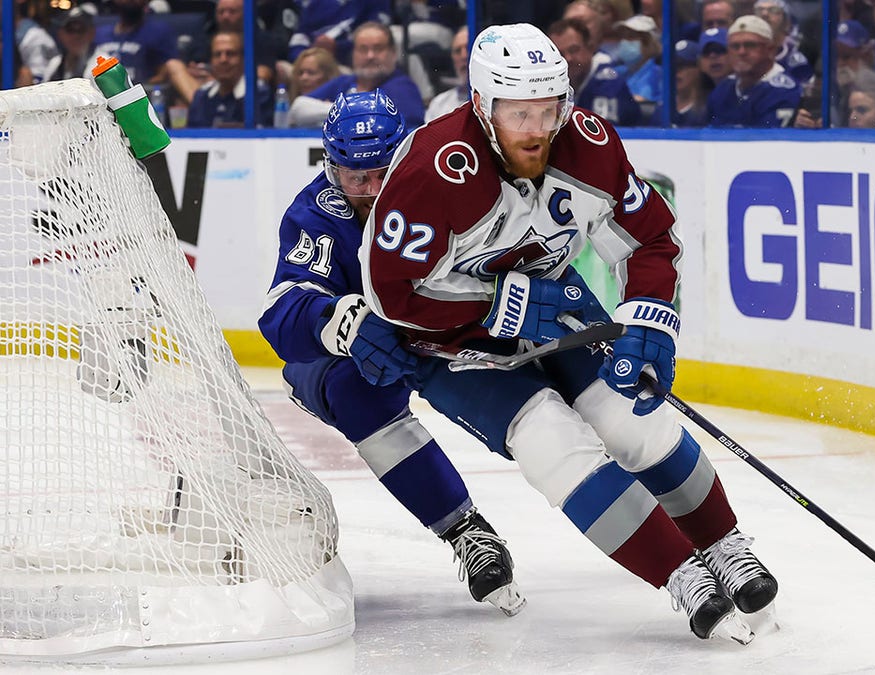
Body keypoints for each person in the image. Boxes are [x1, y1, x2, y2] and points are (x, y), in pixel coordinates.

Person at [360, 23, 779, 643]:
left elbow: (651, 241)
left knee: (635, 420)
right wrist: (502, 307)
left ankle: (724, 543)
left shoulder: (590, 146)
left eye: (549, 109)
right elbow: (392, 295)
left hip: (560, 310)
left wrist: (650, 322)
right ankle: (679, 574)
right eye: (518, 112)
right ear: (481, 105)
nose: (536, 128)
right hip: (455, 349)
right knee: (552, 447)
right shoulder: (433, 170)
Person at [258, 89, 525, 618]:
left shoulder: (445, 186)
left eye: (383, 171)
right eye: (357, 177)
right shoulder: (317, 213)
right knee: (357, 393)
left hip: (441, 331)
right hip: (356, 357)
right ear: (333, 168)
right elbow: (282, 312)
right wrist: (342, 322)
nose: (372, 190)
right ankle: (466, 531)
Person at [289, 22, 425, 128]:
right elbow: (298, 107)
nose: (370, 56)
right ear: (353, 53)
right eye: (363, 49)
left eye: (378, 49)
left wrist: (337, 112)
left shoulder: (402, 87)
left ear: (393, 53)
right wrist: (343, 111)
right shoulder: (343, 82)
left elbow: (406, 126)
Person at [93, 0, 199, 106]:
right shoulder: (99, 33)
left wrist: (134, 89)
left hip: (142, 97)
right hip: (99, 95)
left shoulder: (159, 31)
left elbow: (165, 73)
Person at [707, 15, 802, 127]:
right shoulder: (723, 88)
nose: (741, 52)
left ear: (770, 50)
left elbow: (765, 141)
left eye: (750, 45)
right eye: (735, 46)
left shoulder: (784, 91)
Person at [549, 18, 642, 125]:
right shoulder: (552, 83)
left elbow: (601, 135)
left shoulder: (608, 82)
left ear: (590, 48)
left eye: (574, 50)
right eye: (560, 54)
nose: (568, 58)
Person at [186, 31, 274, 128]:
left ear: (243, 59)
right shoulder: (201, 96)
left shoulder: (258, 94)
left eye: (230, 54)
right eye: (217, 54)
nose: (223, 60)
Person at [286, 0, 390, 63]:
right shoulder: (317, 3)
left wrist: (337, 47)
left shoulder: (375, 2)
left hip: (348, 62)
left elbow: (377, 35)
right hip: (313, 58)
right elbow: (300, 35)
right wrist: (302, 57)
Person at [425, 25, 470, 120]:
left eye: (468, 48)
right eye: (458, 51)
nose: (464, 56)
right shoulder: (438, 105)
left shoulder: (499, 102)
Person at [45, 7, 99, 82]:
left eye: (81, 30)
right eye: (70, 30)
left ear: (91, 33)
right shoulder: (54, 64)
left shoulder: (103, 65)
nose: (76, 36)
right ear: (61, 34)